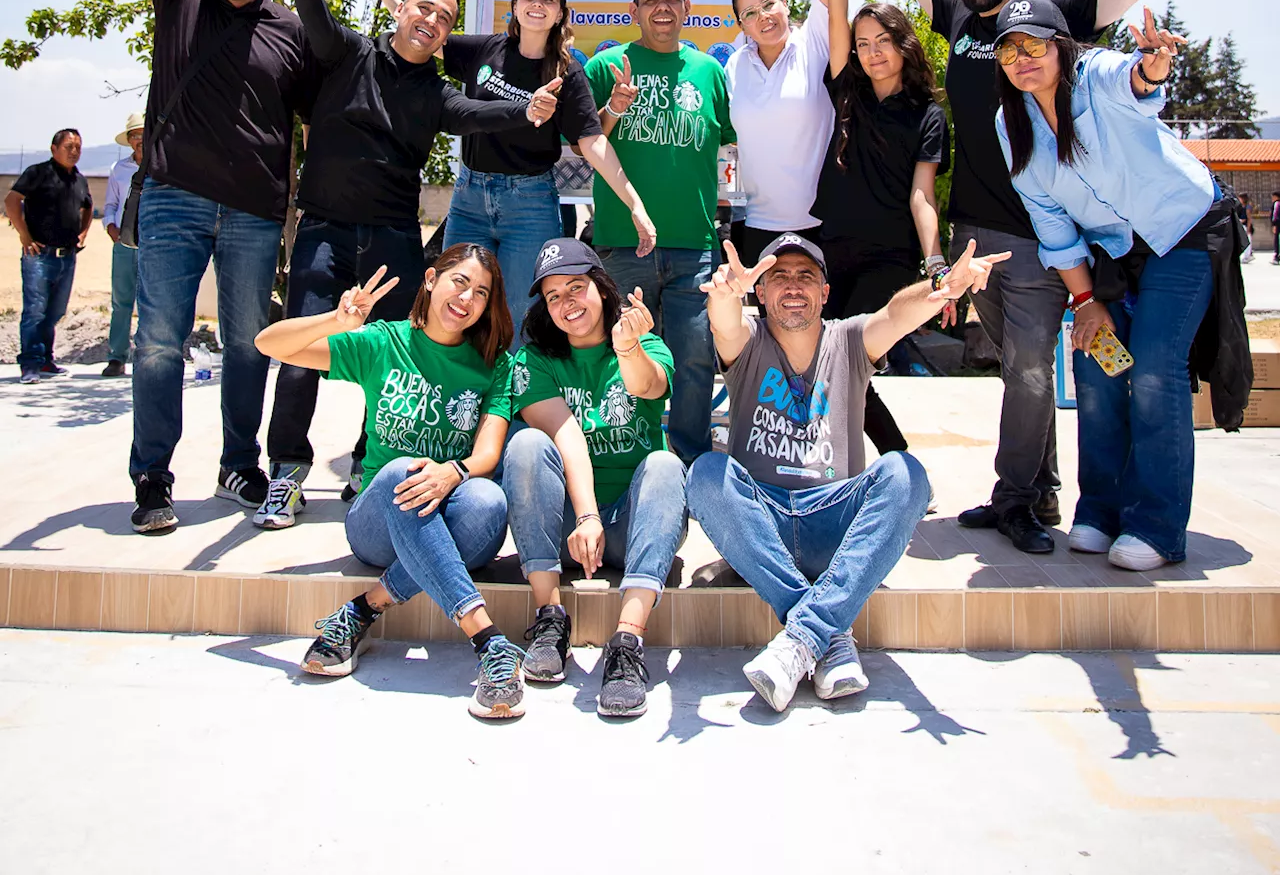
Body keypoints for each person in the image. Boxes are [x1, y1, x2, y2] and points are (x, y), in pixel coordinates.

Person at [852, 0, 1189, 555]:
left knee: (1033, 370)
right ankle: (1038, 491)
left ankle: (1015, 499)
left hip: (1043, 232)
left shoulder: (1049, 15)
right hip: (977, 231)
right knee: (1019, 366)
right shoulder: (958, 17)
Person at [255, 0, 559, 530]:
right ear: (401, 10)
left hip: (393, 239)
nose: (432, 20)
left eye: (444, 18)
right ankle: (287, 469)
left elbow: (477, 115)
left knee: (403, 362)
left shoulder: (439, 94)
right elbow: (316, 27)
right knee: (303, 354)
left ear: (447, 36)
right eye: (424, 8)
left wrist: (525, 112)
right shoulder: (350, 53)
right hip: (323, 229)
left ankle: (370, 465)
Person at [688, 232, 1007, 710]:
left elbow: (896, 315)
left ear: (825, 292)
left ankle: (800, 638)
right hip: (763, 522)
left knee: (906, 474)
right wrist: (725, 299)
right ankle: (827, 634)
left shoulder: (850, 339)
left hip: (835, 522)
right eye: (778, 277)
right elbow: (726, 326)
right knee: (706, 474)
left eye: (805, 276)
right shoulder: (749, 342)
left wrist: (942, 289)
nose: (792, 286)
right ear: (760, 292)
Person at [129, 0, 321, 536]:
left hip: (252, 213)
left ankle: (239, 463)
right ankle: (152, 477)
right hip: (173, 200)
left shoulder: (288, 29)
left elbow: (323, 110)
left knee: (249, 345)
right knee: (159, 345)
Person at [994, 0, 1230, 570]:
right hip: (1113, 253)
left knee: (1152, 369)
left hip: (1183, 232)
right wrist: (1085, 302)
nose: (1022, 58)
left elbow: (1137, 83)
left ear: (1060, 45)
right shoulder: (1011, 123)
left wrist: (1151, 65)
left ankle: (1157, 526)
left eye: (1034, 44)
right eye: (1008, 49)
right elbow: (1050, 221)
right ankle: (1100, 510)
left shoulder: (1095, 75)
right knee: (1097, 365)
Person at [255, 246, 529, 721]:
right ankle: (488, 640)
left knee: (488, 499)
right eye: (459, 282)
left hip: (456, 520)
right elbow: (268, 344)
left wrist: (454, 472)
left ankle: (364, 608)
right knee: (404, 470)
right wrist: (334, 321)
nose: (467, 298)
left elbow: (487, 453)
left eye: (481, 293)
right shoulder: (383, 342)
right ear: (430, 279)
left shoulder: (494, 364)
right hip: (378, 525)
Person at [348, 0, 658, 331]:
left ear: (561, 14)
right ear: (514, 6)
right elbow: (425, 31)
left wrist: (636, 206)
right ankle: (457, 388)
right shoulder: (486, 50)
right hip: (469, 199)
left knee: (518, 313)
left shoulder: (568, 72)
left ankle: (512, 390)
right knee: (454, 305)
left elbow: (592, 144)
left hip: (529, 205)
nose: (538, 4)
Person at [501, 235, 687, 719]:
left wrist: (627, 347)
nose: (567, 303)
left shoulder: (643, 341)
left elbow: (649, 385)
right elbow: (566, 436)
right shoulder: (534, 359)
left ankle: (626, 644)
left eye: (576, 288)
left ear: (602, 289)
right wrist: (585, 517)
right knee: (525, 444)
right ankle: (549, 618)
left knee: (666, 465)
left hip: (632, 525)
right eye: (554, 295)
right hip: (568, 529)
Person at [584, 0, 737, 464]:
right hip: (623, 242)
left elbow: (727, 150)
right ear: (634, 11)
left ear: (688, 9)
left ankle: (691, 460)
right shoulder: (607, 66)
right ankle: (629, 454)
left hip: (694, 244)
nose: (663, 6)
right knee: (625, 352)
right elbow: (587, 141)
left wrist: (725, 219)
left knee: (695, 356)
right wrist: (615, 109)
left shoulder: (710, 72)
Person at [813, 0, 950, 384]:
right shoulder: (848, 89)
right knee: (827, 362)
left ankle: (892, 456)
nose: (871, 53)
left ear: (904, 46)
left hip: (891, 257)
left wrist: (935, 262)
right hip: (832, 246)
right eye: (863, 43)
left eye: (883, 42)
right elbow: (835, 9)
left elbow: (922, 194)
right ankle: (857, 455)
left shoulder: (927, 113)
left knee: (850, 359)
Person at [723, 0, 836, 265]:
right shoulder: (734, 66)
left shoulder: (815, 43)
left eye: (769, 5)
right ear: (741, 24)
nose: (763, 16)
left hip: (820, 222)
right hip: (754, 223)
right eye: (749, 13)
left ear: (786, 4)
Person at [5, 130, 93, 383]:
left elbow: (87, 207)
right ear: (54, 149)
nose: (74, 151)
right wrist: (24, 235)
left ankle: (46, 361)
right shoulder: (38, 173)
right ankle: (30, 364)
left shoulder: (79, 179)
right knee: (35, 310)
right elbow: (12, 201)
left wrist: (83, 234)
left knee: (55, 311)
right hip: (39, 255)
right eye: (68, 146)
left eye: (78, 146)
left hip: (67, 256)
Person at [101, 112, 145, 377]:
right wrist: (110, 227)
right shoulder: (119, 170)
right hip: (124, 245)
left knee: (152, 303)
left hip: (153, 245)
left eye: (144, 133)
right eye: (135, 135)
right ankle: (117, 357)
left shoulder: (162, 168)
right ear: (129, 140)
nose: (140, 139)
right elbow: (110, 205)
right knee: (121, 302)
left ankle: (147, 355)